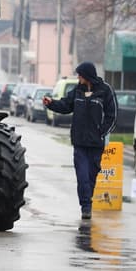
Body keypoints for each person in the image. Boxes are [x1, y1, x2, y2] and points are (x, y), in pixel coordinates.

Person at [43, 62, 117, 220]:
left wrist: (101, 132)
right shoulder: (77, 90)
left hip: (96, 143)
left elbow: (112, 115)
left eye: (80, 74)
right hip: (80, 141)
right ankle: (86, 206)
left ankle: (87, 200)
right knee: (82, 175)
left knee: (91, 175)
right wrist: (51, 104)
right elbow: (65, 105)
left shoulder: (105, 90)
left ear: (87, 75)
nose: (78, 77)